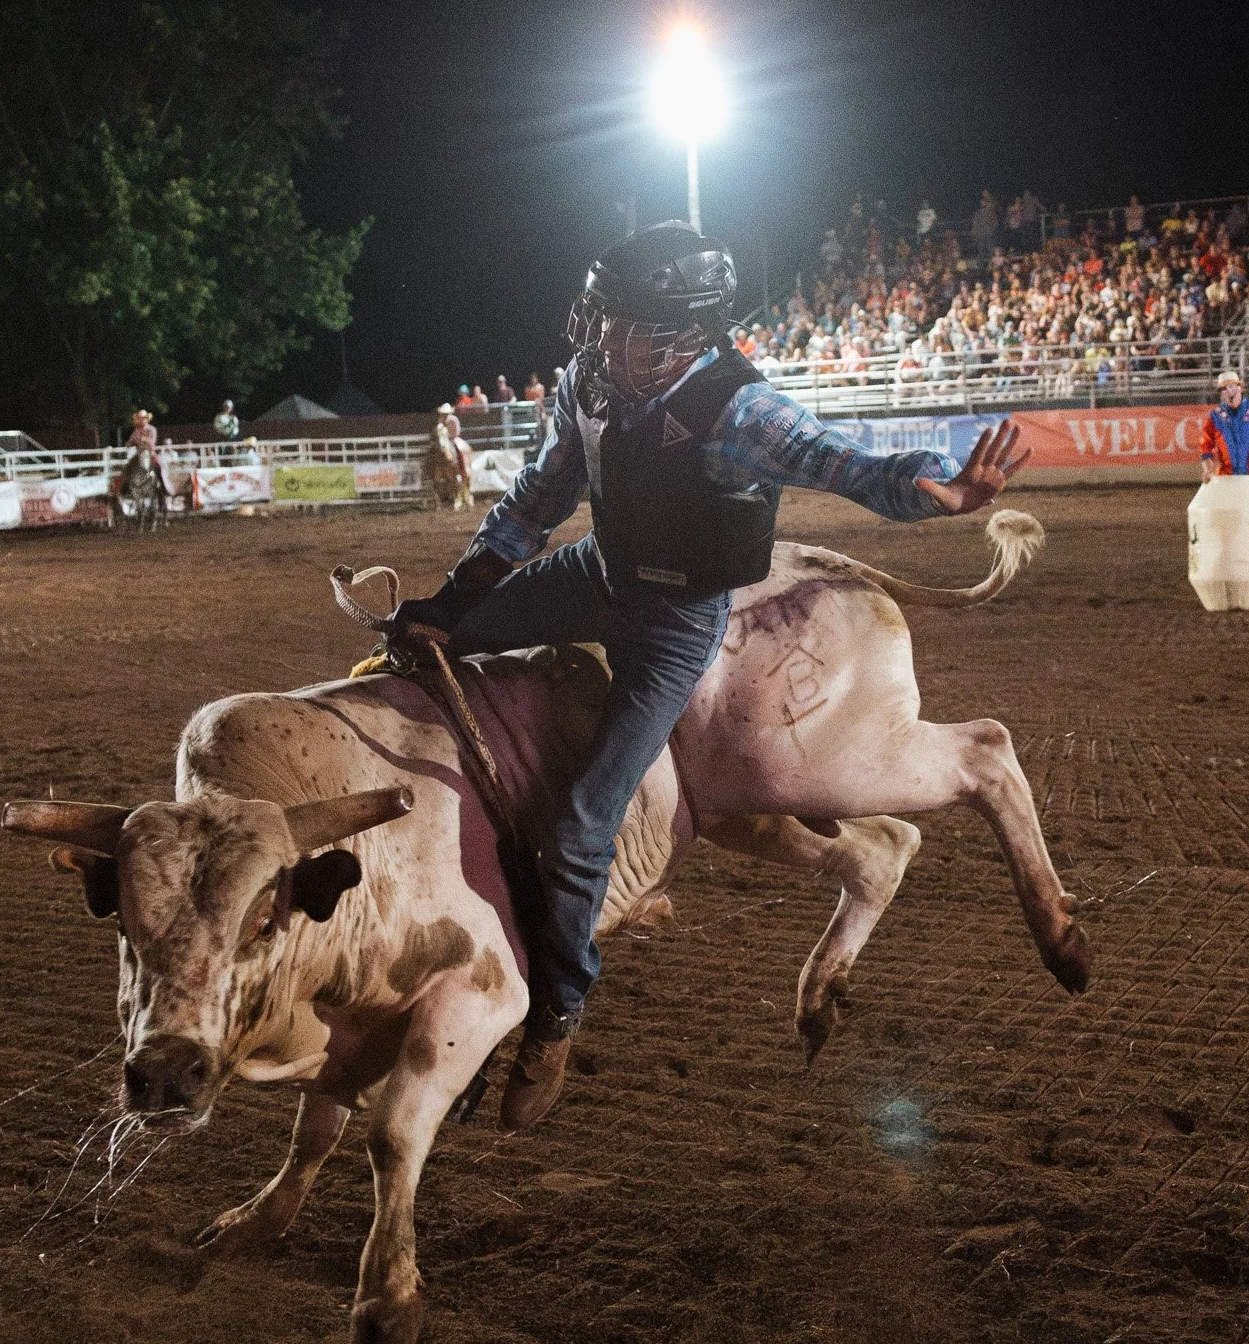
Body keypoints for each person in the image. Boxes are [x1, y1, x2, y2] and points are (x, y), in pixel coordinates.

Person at [387, 220, 1028, 1130]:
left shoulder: (740, 410)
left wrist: (945, 490)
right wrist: (451, 602)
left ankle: (555, 1012)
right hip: (598, 573)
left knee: (583, 825)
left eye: (622, 323)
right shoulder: (589, 384)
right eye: (600, 318)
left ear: (680, 333)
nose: (600, 337)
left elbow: (844, 463)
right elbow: (535, 502)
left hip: (676, 620)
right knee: (430, 642)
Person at [1198, 371, 1249, 482]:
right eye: (1223, 389)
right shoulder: (1215, 415)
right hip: (1226, 478)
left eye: (1231, 386)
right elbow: (1205, 445)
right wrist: (1208, 469)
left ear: (1240, 388)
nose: (1229, 391)